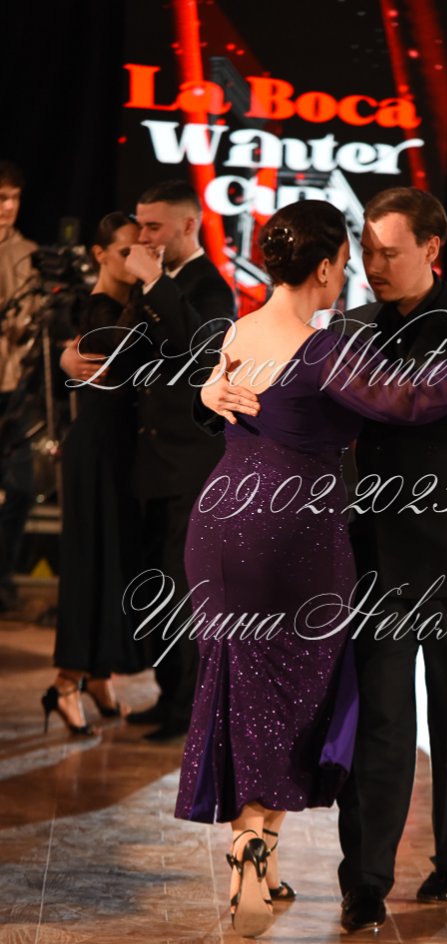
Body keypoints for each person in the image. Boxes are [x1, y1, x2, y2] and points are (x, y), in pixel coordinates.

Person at [204, 188, 447, 935]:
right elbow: (281, 400)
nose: (372, 265)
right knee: (376, 725)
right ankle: (365, 882)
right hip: (375, 556)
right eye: (367, 252)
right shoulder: (346, 327)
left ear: (432, 249)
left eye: (389, 252)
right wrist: (208, 391)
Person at [61, 180, 236, 740]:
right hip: (148, 462)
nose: (143, 237)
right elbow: (118, 352)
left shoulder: (211, 286)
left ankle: (188, 709)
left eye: (154, 226)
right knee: (156, 585)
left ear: (188, 225)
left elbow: (200, 352)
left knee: (185, 591)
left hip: (192, 465)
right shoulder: (149, 285)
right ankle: (167, 693)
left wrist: (157, 284)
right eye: (139, 226)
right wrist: (70, 355)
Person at [47, 213, 147, 734]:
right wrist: (67, 356)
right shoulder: (98, 309)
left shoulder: (130, 306)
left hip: (122, 451)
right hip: (95, 449)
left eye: (140, 249)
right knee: (89, 563)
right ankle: (65, 682)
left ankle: (99, 676)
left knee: (114, 564)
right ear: (100, 254)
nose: (135, 260)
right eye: (125, 251)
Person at [0, 161, 38, 611]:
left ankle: (4, 576)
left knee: (23, 488)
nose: (7, 207)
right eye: (1, 198)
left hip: (16, 389)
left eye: (12, 198)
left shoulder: (29, 254)